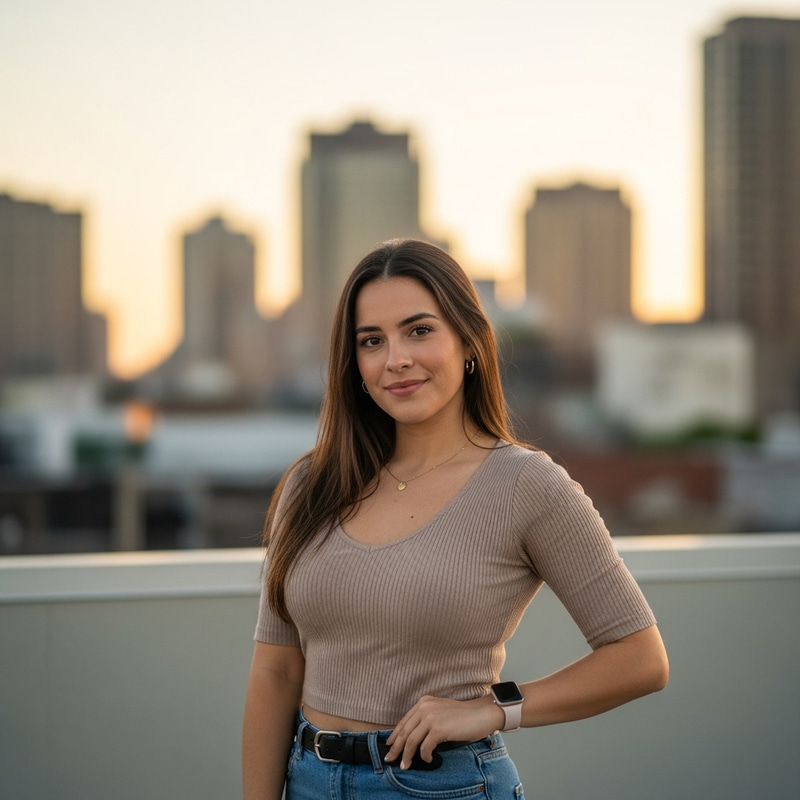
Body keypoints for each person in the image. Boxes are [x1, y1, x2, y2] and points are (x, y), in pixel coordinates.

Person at [242, 238, 669, 799]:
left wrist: (494, 710)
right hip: (308, 781)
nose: (396, 358)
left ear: (469, 343)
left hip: (445, 787)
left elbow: (641, 659)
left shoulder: (526, 485)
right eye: (372, 341)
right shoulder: (310, 484)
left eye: (419, 330)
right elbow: (276, 672)